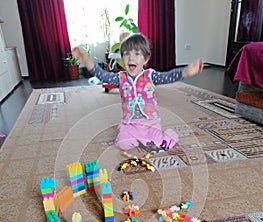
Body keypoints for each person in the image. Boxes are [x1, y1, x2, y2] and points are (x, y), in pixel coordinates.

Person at [72, 33, 203, 152]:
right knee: (122, 144)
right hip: (130, 123)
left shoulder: (150, 76)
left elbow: (168, 76)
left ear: (145, 59)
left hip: (150, 123)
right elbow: (102, 75)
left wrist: (186, 72)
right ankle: (134, 136)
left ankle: (168, 135)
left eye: (136, 54)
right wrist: (84, 58)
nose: (130, 58)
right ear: (122, 58)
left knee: (159, 145)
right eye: (126, 54)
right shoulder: (120, 77)